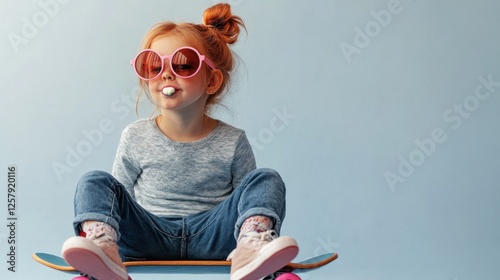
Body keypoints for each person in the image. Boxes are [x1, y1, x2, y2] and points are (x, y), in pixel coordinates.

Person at [61, 3, 298, 280]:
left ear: (211, 81)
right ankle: (102, 255)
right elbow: (117, 199)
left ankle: (253, 252)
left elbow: (247, 201)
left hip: (212, 238)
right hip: (148, 236)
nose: (166, 73)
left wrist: (248, 231)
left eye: (183, 64)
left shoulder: (233, 141)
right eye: (152, 65)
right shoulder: (135, 136)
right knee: (94, 181)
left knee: (266, 178)